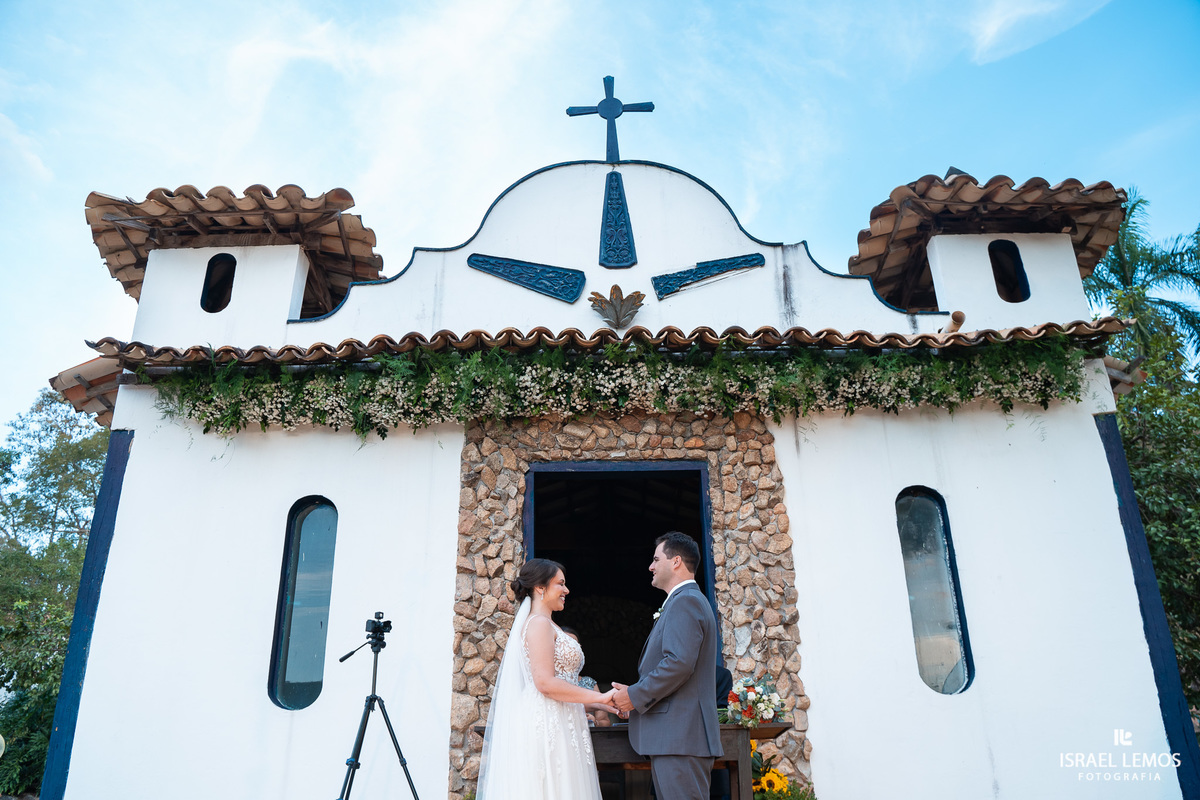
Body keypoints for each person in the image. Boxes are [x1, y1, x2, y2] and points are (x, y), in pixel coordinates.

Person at [475, 558, 619, 799]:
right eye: (560, 584)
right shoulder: (539, 624)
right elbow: (545, 683)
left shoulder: (552, 626)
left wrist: (605, 704)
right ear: (540, 588)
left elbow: (565, 690)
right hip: (546, 723)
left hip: (564, 719)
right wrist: (601, 696)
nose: (566, 590)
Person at [613, 532, 723, 800]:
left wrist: (634, 696)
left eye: (655, 559)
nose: (651, 566)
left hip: (681, 739)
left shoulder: (685, 601)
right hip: (677, 739)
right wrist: (634, 695)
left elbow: (678, 663)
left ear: (675, 562)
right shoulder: (683, 601)